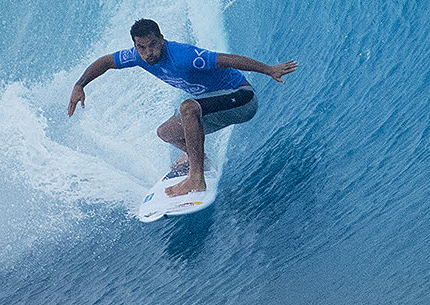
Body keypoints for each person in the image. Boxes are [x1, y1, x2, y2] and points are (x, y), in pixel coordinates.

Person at [67, 19, 298, 196]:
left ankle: (195, 177)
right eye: (141, 47)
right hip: (216, 105)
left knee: (188, 108)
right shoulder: (138, 56)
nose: (148, 53)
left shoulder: (185, 56)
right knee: (165, 132)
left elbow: (228, 59)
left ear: (162, 39)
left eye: (153, 45)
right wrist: (79, 84)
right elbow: (106, 62)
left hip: (242, 99)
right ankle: (197, 158)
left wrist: (269, 69)